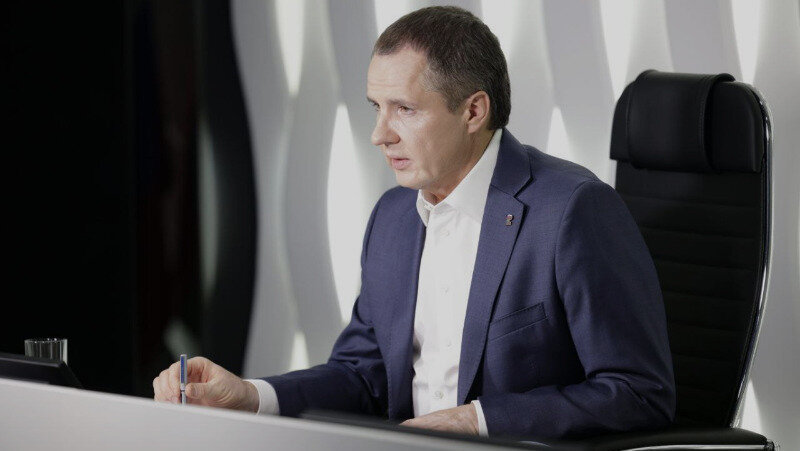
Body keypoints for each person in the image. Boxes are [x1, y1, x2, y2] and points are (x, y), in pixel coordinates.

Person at [153, 6, 675, 439]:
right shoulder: (393, 217)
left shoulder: (572, 210)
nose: (380, 134)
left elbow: (638, 392)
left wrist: (476, 422)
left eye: (403, 109)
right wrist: (250, 396)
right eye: (376, 107)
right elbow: (363, 376)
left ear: (473, 112)